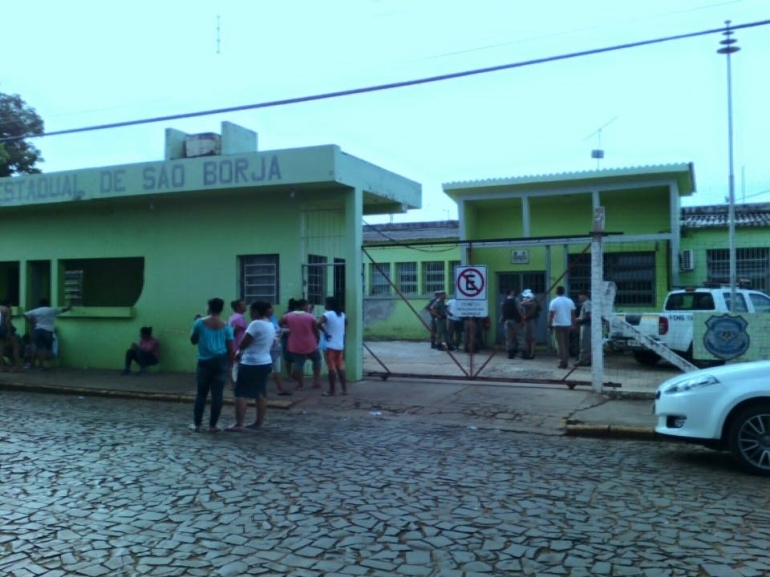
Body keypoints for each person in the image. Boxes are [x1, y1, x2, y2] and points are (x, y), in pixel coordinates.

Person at [227, 301, 275, 432]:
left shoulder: (255, 324)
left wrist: (238, 353)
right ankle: (258, 422)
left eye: (251, 311)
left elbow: (244, 342)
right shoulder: (269, 324)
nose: (250, 313)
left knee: (240, 392)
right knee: (260, 392)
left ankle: (239, 424)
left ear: (256, 312)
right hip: (265, 361)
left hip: (251, 362)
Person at [190, 298, 234, 433]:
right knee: (217, 395)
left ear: (209, 307)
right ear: (221, 309)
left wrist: (195, 324)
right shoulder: (226, 325)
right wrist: (230, 364)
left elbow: (193, 340)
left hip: (204, 361)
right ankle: (213, 425)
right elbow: (230, 347)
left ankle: (197, 424)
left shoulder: (200, 323)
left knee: (201, 394)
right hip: (221, 361)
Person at [280, 298, 321, 390]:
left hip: (295, 344)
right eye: (307, 305)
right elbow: (315, 330)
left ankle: (300, 384)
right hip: (310, 343)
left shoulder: (288, 315)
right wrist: (318, 339)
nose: (308, 307)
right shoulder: (310, 316)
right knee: (317, 360)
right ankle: (316, 381)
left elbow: (280, 323)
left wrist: (288, 329)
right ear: (303, 306)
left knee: (299, 364)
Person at [23, 298, 72, 370]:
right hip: (48, 331)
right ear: (48, 304)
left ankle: (39, 365)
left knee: (40, 348)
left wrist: (31, 322)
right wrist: (69, 307)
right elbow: (63, 310)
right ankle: (42, 366)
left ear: (39, 304)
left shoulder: (36, 311)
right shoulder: (51, 310)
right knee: (46, 348)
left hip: (38, 330)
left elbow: (24, 314)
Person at [318, 296, 348, 396]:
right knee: (340, 367)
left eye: (326, 303)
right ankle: (344, 390)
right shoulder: (342, 315)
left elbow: (318, 323)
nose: (325, 305)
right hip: (340, 345)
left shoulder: (328, 314)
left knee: (331, 368)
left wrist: (325, 332)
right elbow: (346, 323)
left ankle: (332, 391)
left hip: (330, 345)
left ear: (330, 304)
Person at [548, 286, 577, 369]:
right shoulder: (570, 301)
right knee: (566, 344)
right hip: (567, 325)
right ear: (564, 291)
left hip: (558, 325)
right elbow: (573, 315)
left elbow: (551, 315)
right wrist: (574, 325)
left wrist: (549, 325)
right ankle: (566, 361)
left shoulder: (554, 302)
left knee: (560, 345)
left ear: (556, 292)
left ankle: (562, 362)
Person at [268, 307, 291, 396]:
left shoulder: (273, 318)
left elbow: (278, 329)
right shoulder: (262, 321)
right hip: (267, 348)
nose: (272, 310)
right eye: (269, 308)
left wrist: (287, 330)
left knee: (276, 369)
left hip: (276, 348)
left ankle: (280, 388)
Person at [500, 289, 524, 359]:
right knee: (520, 336)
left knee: (509, 337)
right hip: (515, 320)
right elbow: (519, 310)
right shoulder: (515, 300)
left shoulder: (504, 301)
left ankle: (510, 353)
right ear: (512, 292)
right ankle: (523, 352)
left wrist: (501, 319)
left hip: (506, 321)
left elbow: (502, 311)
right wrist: (523, 318)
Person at [520, 289, 541, 360]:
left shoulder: (533, 303)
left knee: (532, 338)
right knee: (527, 337)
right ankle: (529, 352)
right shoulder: (532, 301)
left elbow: (522, 304)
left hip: (531, 320)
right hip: (528, 321)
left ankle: (532, 353)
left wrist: (529, 301)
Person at [575, 292, 592, 367]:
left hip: (586, 326)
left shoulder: (587, 303)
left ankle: (584, 360)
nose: (579, 298)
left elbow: (589, 316)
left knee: (584, 343)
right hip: (584, 325)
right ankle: (586, 359)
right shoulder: (585, 304)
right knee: (584, 343)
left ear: (584, 296)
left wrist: (581, 321)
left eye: (580, 296)